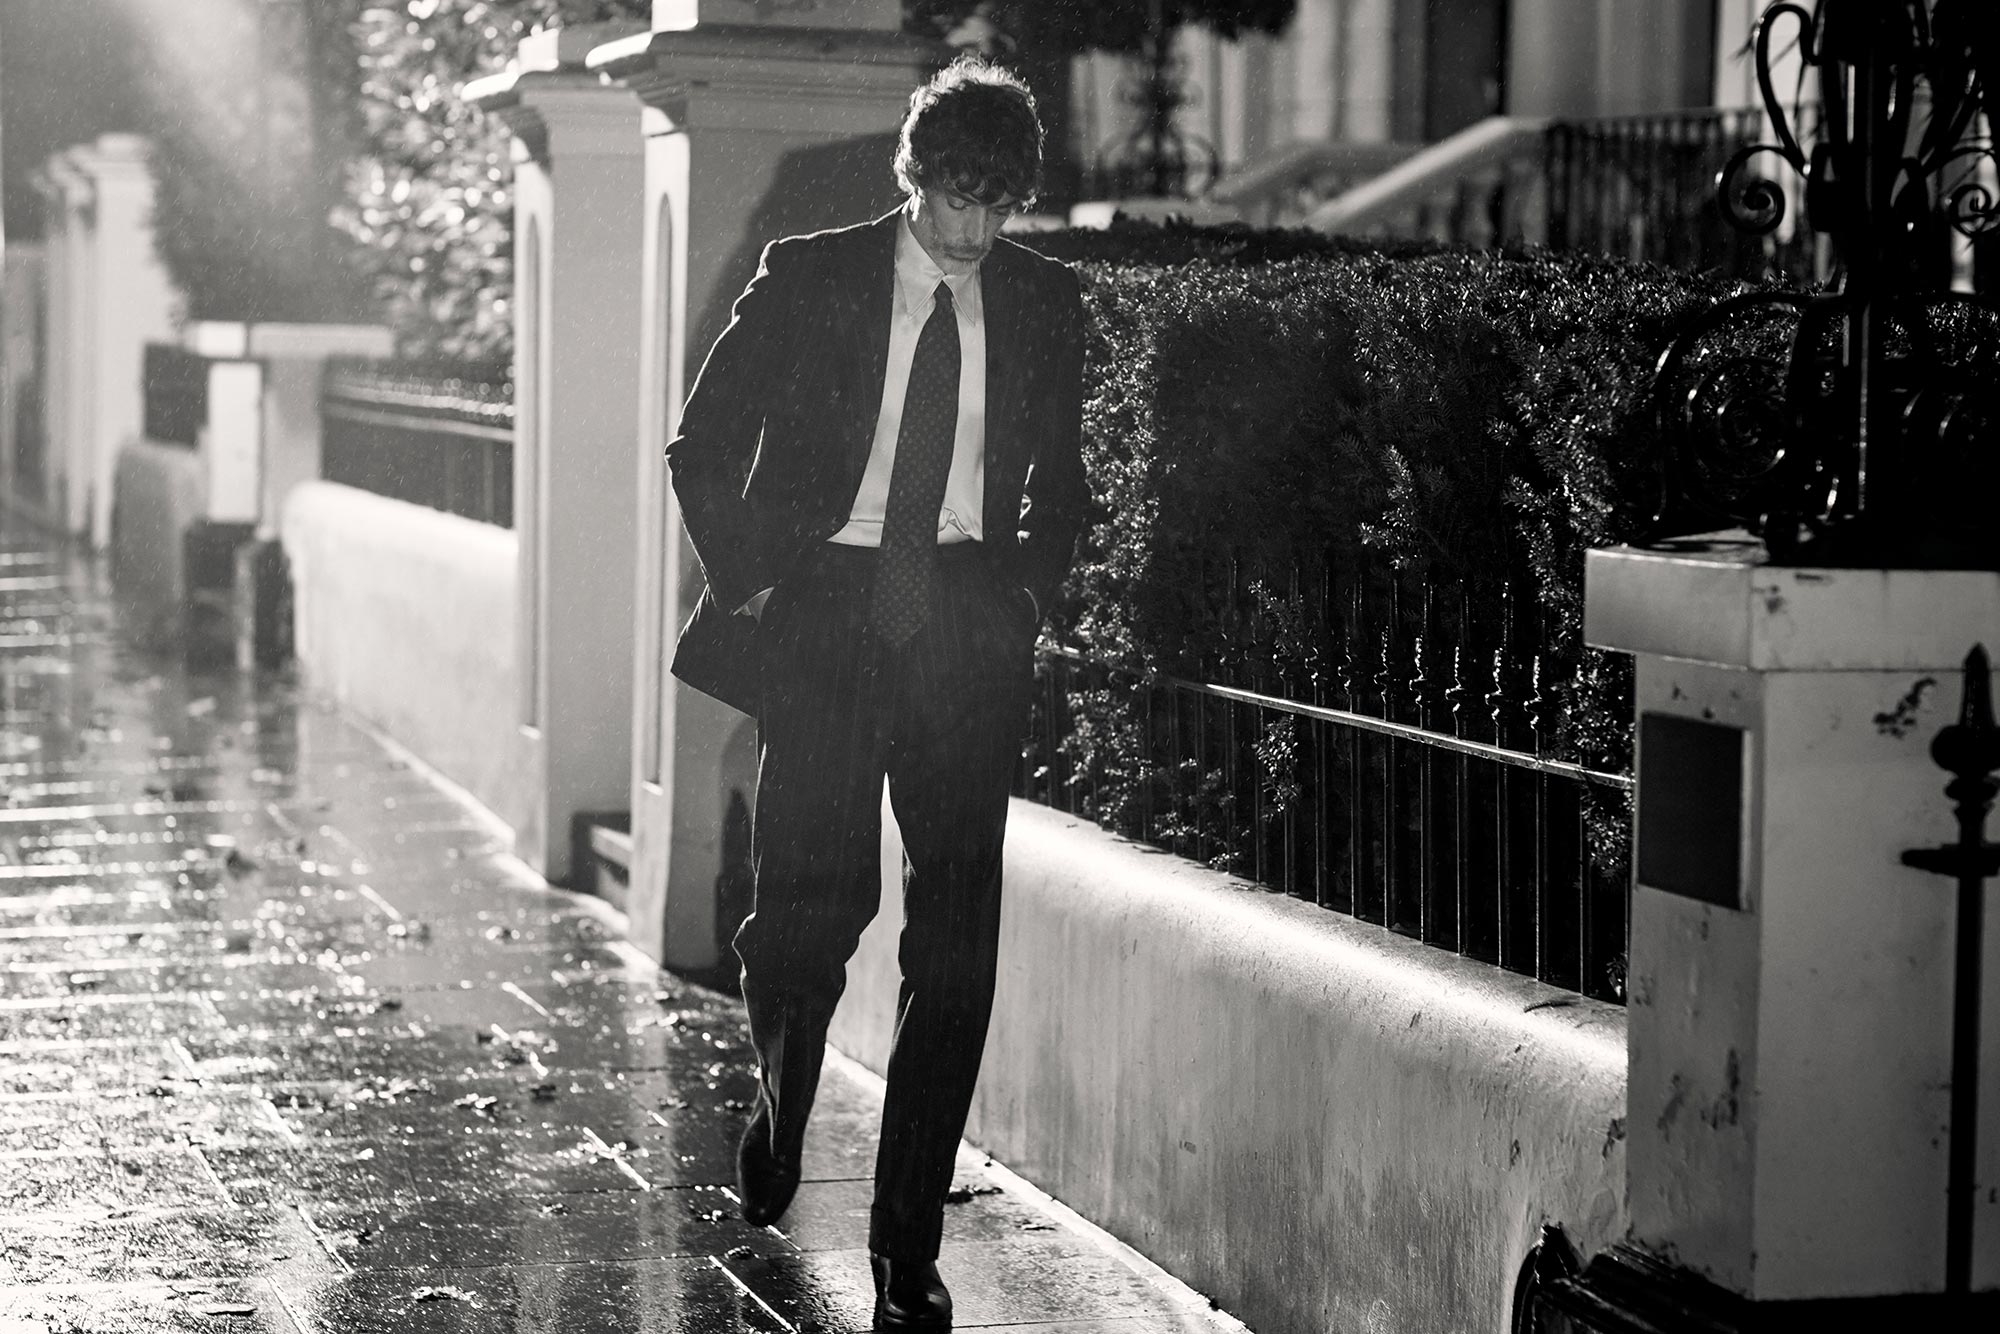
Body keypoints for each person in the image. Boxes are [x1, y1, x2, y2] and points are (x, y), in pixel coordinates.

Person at [665, 54, 1088, 1331]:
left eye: (997, 205)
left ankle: (907, 1241)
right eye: (957, 200)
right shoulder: (812, 274)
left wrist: (1021, 601)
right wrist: (755, 585)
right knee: (807, 913)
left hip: (963, 624)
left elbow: (1060, 486)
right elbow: (701, 441)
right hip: (827, 614)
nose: (973, 230)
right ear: (914, 178)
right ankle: (782, 1093)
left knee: (955, 950)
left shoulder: (1044, 299)